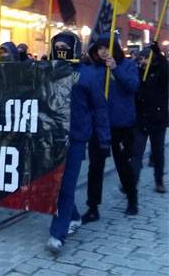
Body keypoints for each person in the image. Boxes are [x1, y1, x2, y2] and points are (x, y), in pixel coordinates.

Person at [46, 31, 110, 254]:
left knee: (67, 185)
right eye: (58, 45)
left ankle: (57, 234)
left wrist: (104, 139)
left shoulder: (88, 75)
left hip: (75, 138)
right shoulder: (47, 71)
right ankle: (72, 216)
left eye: (65, 45)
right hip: (52, 137)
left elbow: (100, 108)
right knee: (55, 185)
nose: (61, 49)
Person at [82, 32, 140, 223]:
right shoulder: (94, 70)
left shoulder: (128, 65)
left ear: (114, 48)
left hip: (121, 126)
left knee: (123, 165)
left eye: (106, 48)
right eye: (99, 48)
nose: (102, 52)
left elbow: (133, 87)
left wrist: (116, 69)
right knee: (95, 168)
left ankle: (132, 199)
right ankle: (92, 207)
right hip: (99, 127)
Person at [132, 43, 167, 193]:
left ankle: (159, 181)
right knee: (136, 152)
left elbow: (166, 72)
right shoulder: (138, 72)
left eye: (144, 59)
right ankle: (133, 181)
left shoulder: (161, 70)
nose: (142, 62)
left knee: (158, 152)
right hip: (141, 118)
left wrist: (158, 53)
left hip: (158, 118)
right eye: (140, 59)